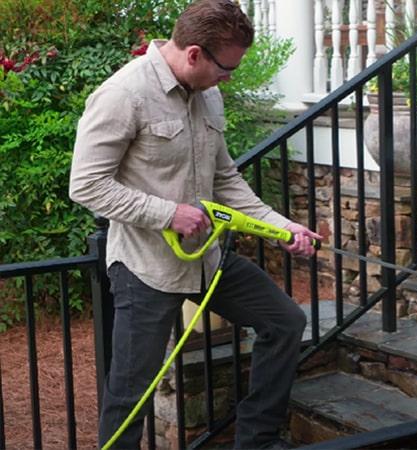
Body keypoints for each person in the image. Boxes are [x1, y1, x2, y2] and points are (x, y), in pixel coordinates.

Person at [69, 0, 321, 448]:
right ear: (194, 54)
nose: (229, 78)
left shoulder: (209, 94)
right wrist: (170, 214)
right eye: (226, 68)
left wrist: (284, 227)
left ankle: (257, 441)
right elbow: (86, 185)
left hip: (207, 260)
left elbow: (225, 179)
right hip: (146, 268)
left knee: (284, 321)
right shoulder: (123, 94)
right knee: (130, 394)